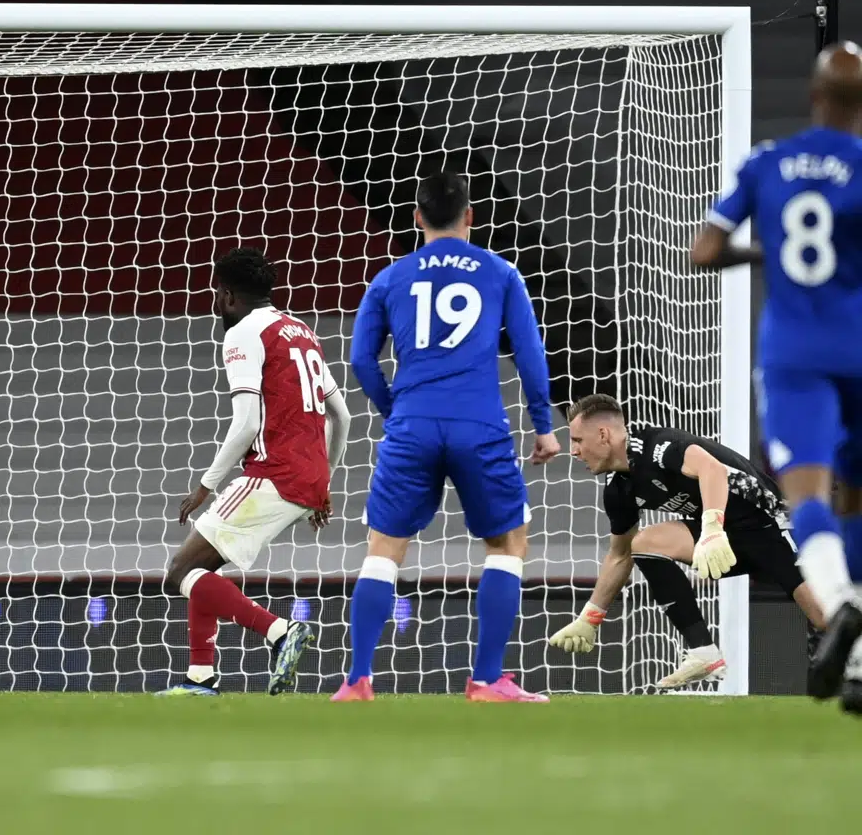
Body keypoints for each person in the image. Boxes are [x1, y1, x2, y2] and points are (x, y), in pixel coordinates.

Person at [335, 172, 559, 703]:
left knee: (384, 548)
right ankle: (486, 680)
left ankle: (358, 679)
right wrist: (544, 426)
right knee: (508, 542)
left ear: (417, 218)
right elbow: (530, 353)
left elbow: (361, 359)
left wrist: (395, 410)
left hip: (412, 424)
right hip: (479, 425)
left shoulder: (390, 277)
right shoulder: (501, 272)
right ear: (470, 216)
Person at [692, 43, 862, 708]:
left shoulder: (767, 162)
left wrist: (768, 253)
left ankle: (841, 604)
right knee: (855, 498)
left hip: (794, 355)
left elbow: (705, 250)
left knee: (809, 496)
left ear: (813, 97)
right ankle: (859, 671)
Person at [157, 248, 350, 696]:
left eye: (215, 294)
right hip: (306, 477)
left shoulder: (244, 333)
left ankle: (281, 631)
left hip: (272, 473)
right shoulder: (301, 331)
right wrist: (324, 481)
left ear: (227, 295)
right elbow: (341, 415)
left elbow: (245, 424)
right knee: (202, 569)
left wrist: (205, 486)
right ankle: (200, 678)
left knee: (180, 571)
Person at [554, 394, 824, 688]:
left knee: (823, 619)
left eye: (577, 440)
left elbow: (712, 469)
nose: (573, 451)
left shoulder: (658, 446)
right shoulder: (618, 490)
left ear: (603, 435)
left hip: (772, 528)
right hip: (724, 540)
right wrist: (590, 617)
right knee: (644, 543)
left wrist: (712, 528)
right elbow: (619, 556)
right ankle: (703, 652)